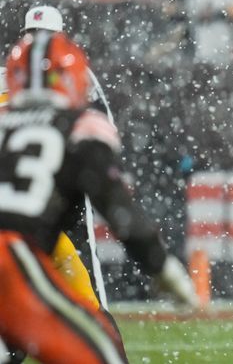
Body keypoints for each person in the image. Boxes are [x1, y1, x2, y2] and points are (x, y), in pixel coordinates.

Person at [0, 31, 197, 363]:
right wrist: (162, 268)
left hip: (23, 251)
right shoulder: (82, 125)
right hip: (14, 254)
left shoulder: (6, 122)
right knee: (101, 352)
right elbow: (118, 209)